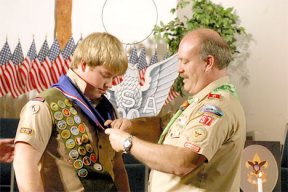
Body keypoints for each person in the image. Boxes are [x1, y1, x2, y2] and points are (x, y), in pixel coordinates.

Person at [105, 28, 246, 191]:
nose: (179, 69)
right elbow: (162, 127)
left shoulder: (217, 106)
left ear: (208, 62)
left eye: (185, 61)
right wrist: (131, 126)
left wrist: (127, 143)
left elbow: (184, 162)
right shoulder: (199, 101)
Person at [13, 32, 130, 192]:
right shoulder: (44, 105)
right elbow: (24, 163)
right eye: (105, 75)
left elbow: (117, 167)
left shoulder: (107, 110)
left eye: (114, 77)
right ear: (84, 64)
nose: (109, 84)